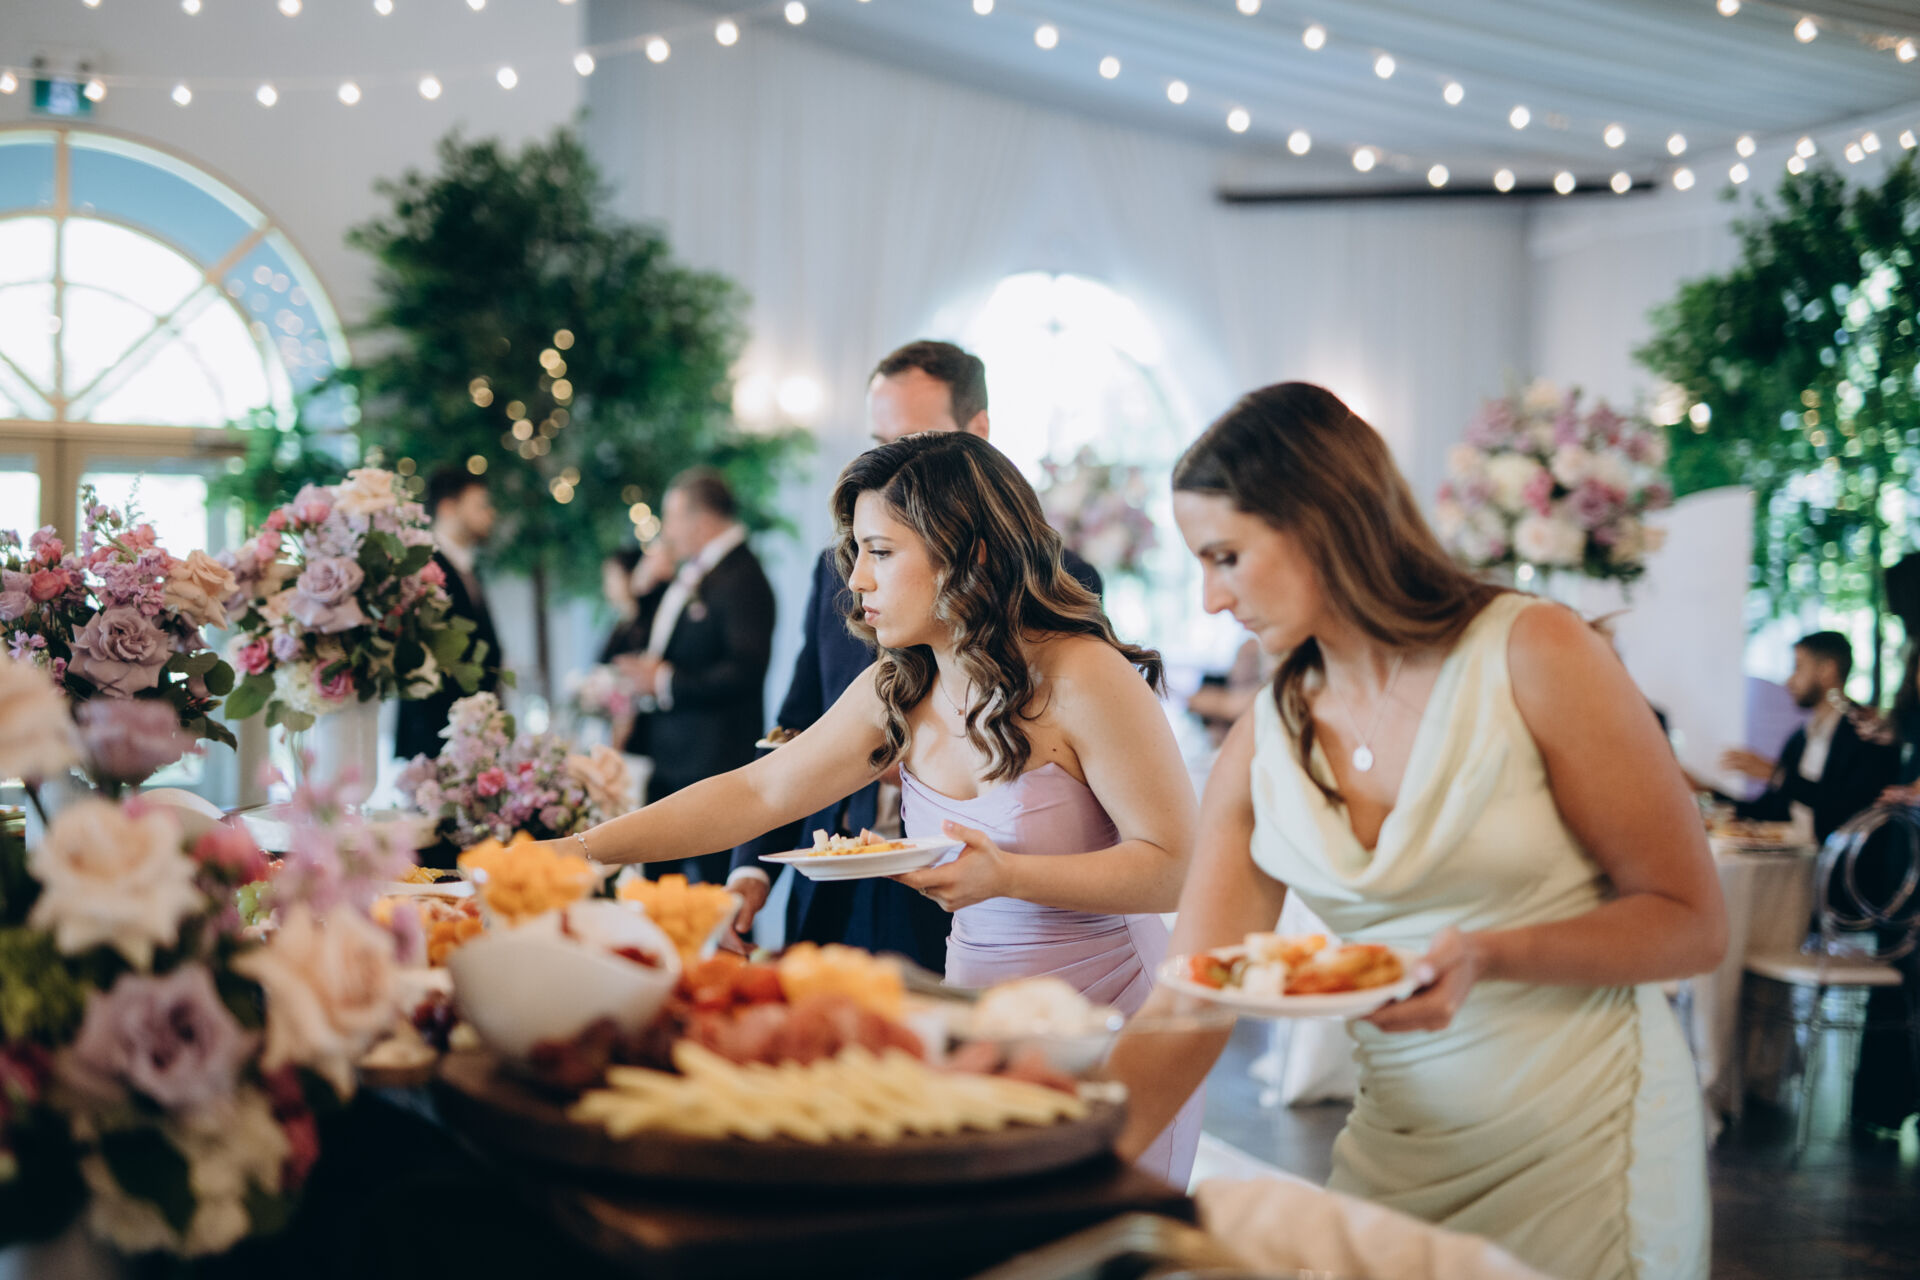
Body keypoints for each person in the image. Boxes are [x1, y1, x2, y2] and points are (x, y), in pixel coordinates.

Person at [1103, 383, 1726, 1278]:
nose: (1211, 599)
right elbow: (1187, 1002)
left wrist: (1489, 955)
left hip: (1584, 1139)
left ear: (1321, 521)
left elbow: (1692, 921)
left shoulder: (1535, 652)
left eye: (1226, 557)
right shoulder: (1263, 742)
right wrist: (1050, 1173)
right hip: (1398, 1148)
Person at [555, 431, 1203, 1184]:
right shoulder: (899, 686)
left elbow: (1175, 870)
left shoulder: (1083, 674)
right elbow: (758, 792)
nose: (856, 579)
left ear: (969, 555)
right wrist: (582, 850)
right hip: (977, 1010)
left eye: (881, 552)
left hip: (1114, 1021)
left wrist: (1009, 877)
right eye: (856, 551)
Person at [726, 340, 1101, 972]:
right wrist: (750, 871)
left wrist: (926, 758)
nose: (891, 467)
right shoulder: (844, 567)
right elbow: (795, 725)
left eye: (915, 441)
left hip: (962, 893)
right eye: (879, 443)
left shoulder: (1056, 578)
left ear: (977, 433)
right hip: (835, 872)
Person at [617, 470, 775, 883]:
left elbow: (745, 669)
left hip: (713, 764)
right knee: (658, 887)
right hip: (676, 761)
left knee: (714, 893)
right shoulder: (699, 572)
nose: (666, 532)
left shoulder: (742, 578)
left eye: (671, 519)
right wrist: (645, 592)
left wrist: (665, 682)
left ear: (701, 520)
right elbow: (665, 642)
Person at [1719, 631, 1897, 845]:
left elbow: (1850, 808)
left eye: (1798, 667)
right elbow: (1770, 809)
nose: (1789, 681)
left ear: (1827, 670)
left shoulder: (1866, 733)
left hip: (1837, 860)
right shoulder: (1801, 738)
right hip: (1791, 852)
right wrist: (1709, 794)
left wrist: (1777, 775)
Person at [394, 469, 502, 761]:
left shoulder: (468, 568)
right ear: (448, 507)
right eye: (480, 505)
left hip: (468, 742)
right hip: (434, 742)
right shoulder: (421, 568)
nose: (490, 513)